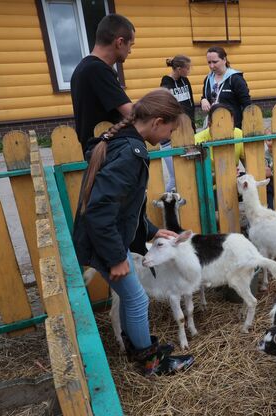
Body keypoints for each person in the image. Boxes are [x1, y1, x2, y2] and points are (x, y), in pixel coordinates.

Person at [72, 89, 195, 376]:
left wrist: (151, 230)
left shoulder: (123, 142)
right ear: (156, 122)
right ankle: (151, 363)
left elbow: (126, 207)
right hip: (105, 241)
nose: (169, 136)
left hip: (107, 236)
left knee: (131, 297)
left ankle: (136, 348)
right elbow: (100, 210)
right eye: (170, 129)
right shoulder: (130, 153)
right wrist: (116, 257)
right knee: (138, 299)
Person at [71, 14, 135, 152]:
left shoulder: (83, 68)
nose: (130, 51)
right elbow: (131, 113)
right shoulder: (97, 70)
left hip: (97, 152)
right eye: (130, 45)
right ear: (119, 42)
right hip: (106, 154)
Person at [160, 55, 196, 191]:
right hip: (171, 136)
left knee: (189, 172)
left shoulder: (185, 81)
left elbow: (191, 104)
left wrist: (192, 128)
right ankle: (164, 201)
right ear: (179, 69)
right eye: (188, 68)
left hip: (187, 132)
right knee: (175, 177)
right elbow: (165, 108)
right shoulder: (165, 83)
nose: (189, 70)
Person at [200, 46, 251, 130]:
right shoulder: (208, 79)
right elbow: (205, 96)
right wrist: (203, 100)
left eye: (215, 62)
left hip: (233, 127)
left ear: (224, 60)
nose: (212, 66)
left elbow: (247, 104)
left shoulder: (235, 78)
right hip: (214, 126)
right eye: (209, 62)